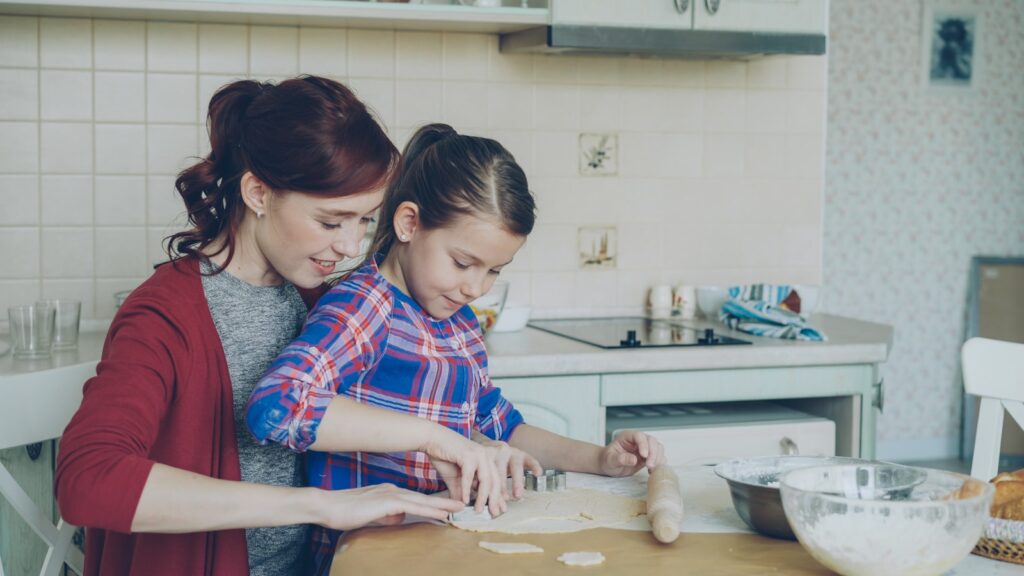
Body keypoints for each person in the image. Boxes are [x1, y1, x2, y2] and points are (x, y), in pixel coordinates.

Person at [54, 78, 507, 576]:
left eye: (364, 221)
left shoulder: (318, 299)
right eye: (332, 222)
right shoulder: (165, 315)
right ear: (258, 194)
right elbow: (87, 481)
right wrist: (317, 505)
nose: (351, 247)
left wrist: (464, 442)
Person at [246, 123, 667, 574]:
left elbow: (503, 425)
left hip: (437, 549)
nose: (474, 287)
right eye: (463, 263)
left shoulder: (458, 323)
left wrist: (600, 458)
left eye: (494, 271)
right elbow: (277, 406)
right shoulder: (365, 307)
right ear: (409, 224)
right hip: (367, 557)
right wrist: (435, 437)